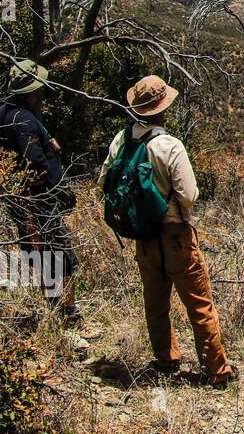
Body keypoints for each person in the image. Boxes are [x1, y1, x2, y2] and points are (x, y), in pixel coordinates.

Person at [99, 74, 236, 387]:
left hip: (144, 238)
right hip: (175, 235)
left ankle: (165, 358)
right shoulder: (169, 146)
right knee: (199, 303)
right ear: (162, 109)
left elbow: (103, 180)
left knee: (155, 302)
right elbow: (189, 195)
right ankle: (217, 369)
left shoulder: (122, 140)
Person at [0, 59, 81, 326]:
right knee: (61, 256)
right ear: (31, 92)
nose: (41, 94)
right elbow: (36, 164)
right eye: (38, 89)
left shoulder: (2, 113)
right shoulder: (24, 122)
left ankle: (56, 309)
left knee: (42, 255)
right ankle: (67, 314)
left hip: (19, 199)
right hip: (39, 202)